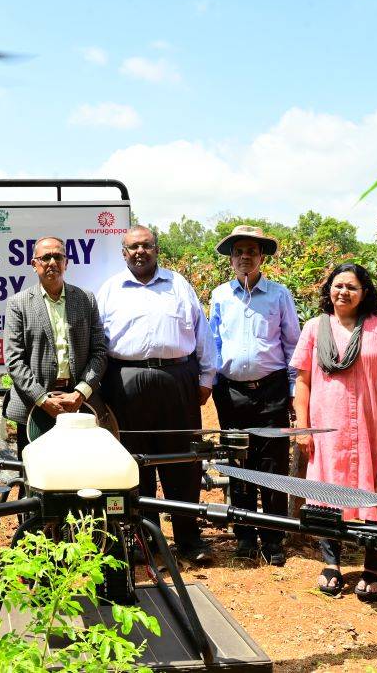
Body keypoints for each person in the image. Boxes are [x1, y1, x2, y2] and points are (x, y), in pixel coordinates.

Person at [96, 225, 219, 564]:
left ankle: (190, 540)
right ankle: (143, 541)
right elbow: (99, 345)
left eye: (146, 246)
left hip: (177, 378)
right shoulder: (109, 291)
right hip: (125, 381)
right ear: (124, 253)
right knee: (136, 464)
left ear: (156, 249)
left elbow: (202, 333)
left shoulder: (179, 285)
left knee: (183, 461)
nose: (140, 252)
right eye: (133, 247)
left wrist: (206, 377)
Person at [291, 263, 377, 601]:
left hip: (375, 427)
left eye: (352, 287)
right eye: (337, 285)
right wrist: (303, 427)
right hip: (329, 431)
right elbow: (302, 382)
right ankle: (332, 564)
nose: (343, 292)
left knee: (374, 490)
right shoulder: (315, 328)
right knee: (327, 492)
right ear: (328, 289)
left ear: (364, 293)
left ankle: (374, 566)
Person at [209, 225, 301, 566]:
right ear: (231, 259)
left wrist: (293, 391)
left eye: (251, 251)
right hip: (231, 393)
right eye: (238, 252)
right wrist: (210, 383)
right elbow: (213, 344)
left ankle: (273, 537)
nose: (244, 257)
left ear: (262, 258)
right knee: (238, 464)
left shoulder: (279, 295)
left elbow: (293, 344)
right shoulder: (220, 296)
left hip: (272, 391)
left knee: (272, 465)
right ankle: (245, 536)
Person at [3, 236, 108, 458]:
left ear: (66, 262)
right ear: (34, 264)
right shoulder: (18, 304)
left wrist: (81, 392)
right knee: (35, 475)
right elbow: (14, 360)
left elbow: (99, 351)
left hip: (79, 403)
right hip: (35, 406)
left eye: (57, 256)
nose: (52, 262)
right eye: (45, 257)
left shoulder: (85, 299)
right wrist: (42, 399)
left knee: (80, 473)